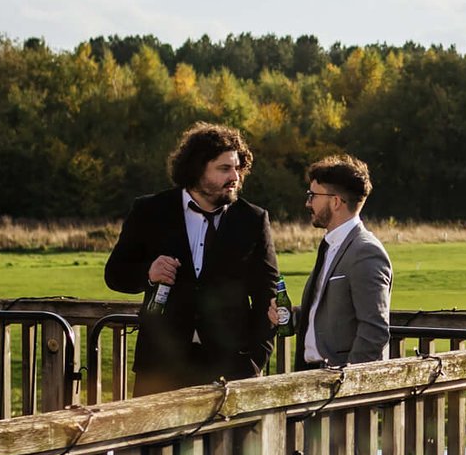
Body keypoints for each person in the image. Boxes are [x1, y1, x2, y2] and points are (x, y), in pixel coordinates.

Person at [104, 123, 279, 395]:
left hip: (229, 370)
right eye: (224, 169)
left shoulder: (253, 219)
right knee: (157, 440)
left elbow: (268, 294)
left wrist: (254, 360)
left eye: (237, 168)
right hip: (160, 367)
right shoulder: (150, 210)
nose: (235, 176)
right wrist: (148, 273)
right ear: (197, 169)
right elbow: (115, 274)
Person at [292, 155, 391, 368]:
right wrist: (292, 317)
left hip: (338, 383)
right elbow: (331, 312)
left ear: (335, 202)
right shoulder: (330, 245)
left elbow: (374, 330)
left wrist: (347, 385)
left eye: (313, 195)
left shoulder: (366, 251)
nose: (308, 203)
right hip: (312, 376)